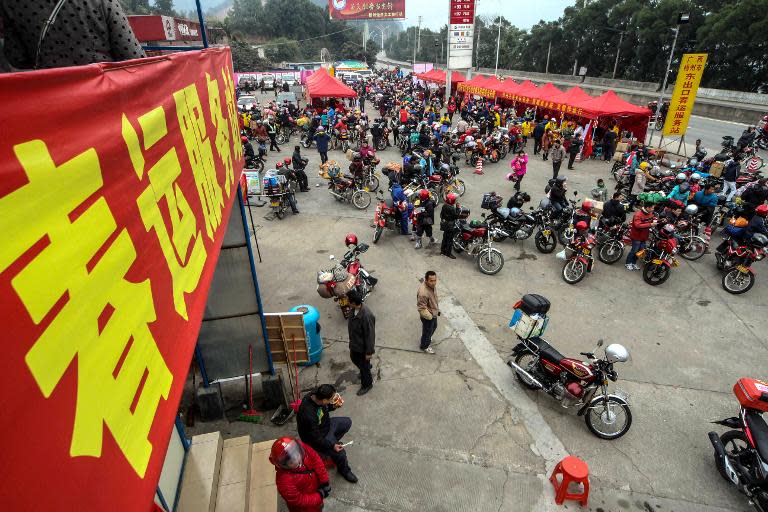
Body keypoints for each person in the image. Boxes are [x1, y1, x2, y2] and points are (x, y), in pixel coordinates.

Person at [2, 0, 146, 70]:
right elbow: (136, 59)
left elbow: (17, 58)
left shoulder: (12, 3)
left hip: (51, 104)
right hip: (104, 104)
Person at [296, 384, 358, 483]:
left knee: (347, 422)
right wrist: (332, 445)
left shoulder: (316, 395)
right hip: (318, 436)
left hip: (326, 425)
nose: (334, 398)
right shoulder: (308, 415)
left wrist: (333, 406)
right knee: (341, 454)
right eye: (331, 398)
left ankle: (329, 446)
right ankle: (345, 471)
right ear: (324, 400)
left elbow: (324, 408)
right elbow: (316, 438)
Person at [271, 437, 331, 512]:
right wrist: (319, 496)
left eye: (297, 455)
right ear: (283, 464)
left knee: (319, 507)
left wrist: (324, 481)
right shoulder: (284, 482)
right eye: (291, 462)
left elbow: (316, 459)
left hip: (316, 491)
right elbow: (299, 500)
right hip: (304, 509)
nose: (297, 460)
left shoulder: (300, 447)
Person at [346, 290, 375, 396]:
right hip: (355, 344)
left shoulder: (366, 316)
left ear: (353, 302)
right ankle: (366, 367)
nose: (347, 302)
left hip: (362, 348)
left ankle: (367, 384)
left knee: (364, 368)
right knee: (354, 358)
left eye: (348, 300)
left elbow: (370, 335)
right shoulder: (353, 309)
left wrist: (369, 352)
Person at [625, 203, 655, 271]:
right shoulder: (638, 214)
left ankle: (633, 262)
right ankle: (628, 263)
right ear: (648, 208)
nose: (653, 209)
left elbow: (652, 220)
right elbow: (637, 225)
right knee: (634, 250)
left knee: (640, 251)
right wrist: (650, 224)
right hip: (636, 236)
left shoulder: (650, 214)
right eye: (652, 208)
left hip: (644, 236)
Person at [417, 270, 440, 354]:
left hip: (433, 312)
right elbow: (421, 308)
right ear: (426, 280)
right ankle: (424, 346)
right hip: (428, 315)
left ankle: (427, 338)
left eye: (435, 280)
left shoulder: (431, 286)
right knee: (427, 331)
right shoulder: (423, 293)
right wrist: (430, 317)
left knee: (433, 327)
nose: (434, 283)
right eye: (431, 281)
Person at [440, 193, 459, 259]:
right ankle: (448, 253)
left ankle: (442, 251)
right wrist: (458, 208)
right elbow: (456, 216)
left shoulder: (444, 206)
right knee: (450, 240)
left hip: (445, 224)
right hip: (450, 226)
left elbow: (441, 215)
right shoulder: (452, 208)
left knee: (444, 237)